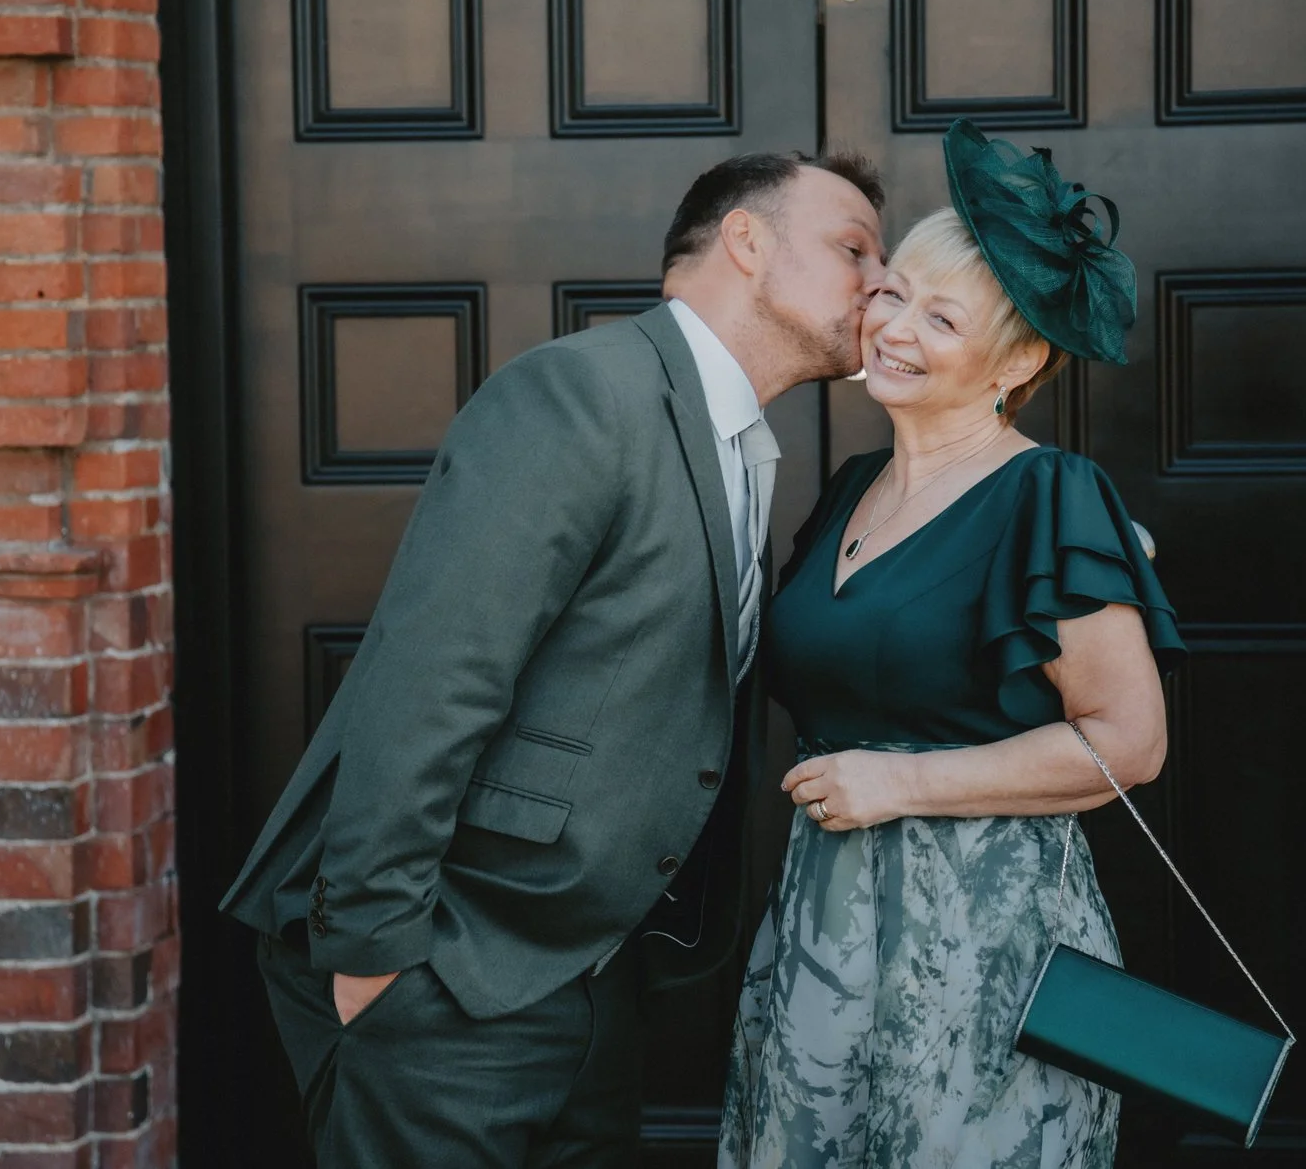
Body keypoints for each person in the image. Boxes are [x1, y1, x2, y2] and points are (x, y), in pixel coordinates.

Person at [221, 149, 886, 1166]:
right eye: (852, 250)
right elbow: (434, 678)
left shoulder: (736, 444)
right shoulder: (581, 394)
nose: (877, 285)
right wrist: (374, 962)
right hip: (446, 973)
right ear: (745, 242)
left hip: (592, 973)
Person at [718, 120, 1187, 1168]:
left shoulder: (1050, 497)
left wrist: (898, 786)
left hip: (986, 938)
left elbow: (1129, 740)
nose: (892, 326)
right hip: (824, 923)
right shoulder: (844, 494)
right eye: (890, 292)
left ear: (1017, 359)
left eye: (941, 316)